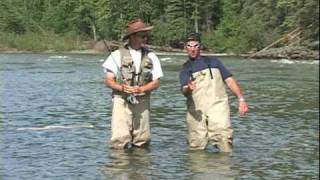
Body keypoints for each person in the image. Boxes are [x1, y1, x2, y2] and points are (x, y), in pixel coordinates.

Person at [179, 32, 248, 152]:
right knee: (196, 146)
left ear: (200, 47)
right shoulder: (185, 68)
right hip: (196, 111)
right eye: (189, 46)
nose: (192, 49)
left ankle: (224, 168)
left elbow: (230, 81)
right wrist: (189, 88)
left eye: (195, 45)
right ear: (185, 48)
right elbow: (184, 90)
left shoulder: (214, 62)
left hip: (218, 107)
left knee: (224, 140)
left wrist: (241, 99)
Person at [102, 19, 163, 149]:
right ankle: (121, 167)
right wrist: (122, 87)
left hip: (142, 100)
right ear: (132, 37)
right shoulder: (117, 54)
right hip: (121, 100)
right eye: (142, 36)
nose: (145, 39)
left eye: (146, 36)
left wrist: (141, 89)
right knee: (120, 139)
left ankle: (141, 166)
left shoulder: (151, 56)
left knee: (143, 139)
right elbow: (108, 80)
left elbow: (157, 82)